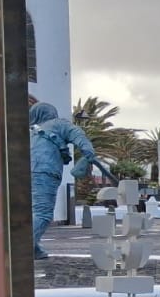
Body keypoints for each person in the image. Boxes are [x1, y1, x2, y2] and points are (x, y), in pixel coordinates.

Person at [29, 101, 109, 259]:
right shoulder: (59, 124)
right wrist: (88, 151)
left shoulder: (31, 133)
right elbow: (78, 135)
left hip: (23, 173)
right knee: (42, 214)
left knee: (30, 212)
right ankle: (24, 247)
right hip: (45, 171)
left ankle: (33, 248)